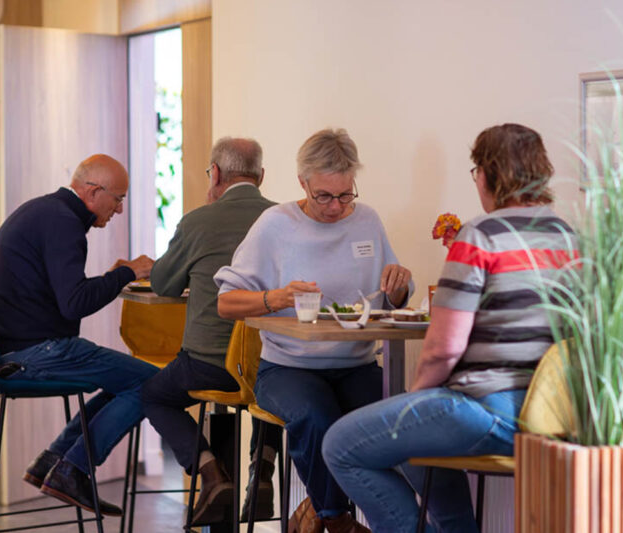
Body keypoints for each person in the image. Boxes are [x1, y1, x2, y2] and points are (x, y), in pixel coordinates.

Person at [322, 123, 579, 532]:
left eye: (476, 171)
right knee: (409, 439)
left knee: (340, 444)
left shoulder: (481, 235)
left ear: (488, 173)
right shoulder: (566, 236)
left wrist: (416, 397)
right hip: (552, 414)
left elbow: (443, 348)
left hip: (489, 410)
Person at [216, 128, 413, 533]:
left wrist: (399, 287)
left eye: (345, 195)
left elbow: (393, 296)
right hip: (286, 367)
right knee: (316, 417)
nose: (337, 207)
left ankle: (332, 513)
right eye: (324, 195)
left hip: (356, 362)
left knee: (399, 420)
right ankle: (335, 518)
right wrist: (278, 297)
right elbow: (226, 302)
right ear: (302, 182)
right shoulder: (275, 225)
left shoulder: (368, 220)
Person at [0, 154, 158, 516]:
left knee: (125, 379)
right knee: (155, 384)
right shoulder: (64, 223)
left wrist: (113, 276)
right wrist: (127, 273)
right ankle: (72, 469)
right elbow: (74, 304)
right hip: (35, 352)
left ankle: (53, 462)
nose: (120, 210)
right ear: (94, 192)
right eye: (119, 199)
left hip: (16, 349)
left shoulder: (45, 212)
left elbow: (63, 293)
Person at [140, 137, 284, 525]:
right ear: (261, 176)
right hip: (267, 361)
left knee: (152, 394)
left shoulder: (198, 221)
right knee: (270, 382)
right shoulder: (285, 219)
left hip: (208, 364)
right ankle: (263, 470)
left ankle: (210, 472)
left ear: (215, 173)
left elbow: (163, 284)